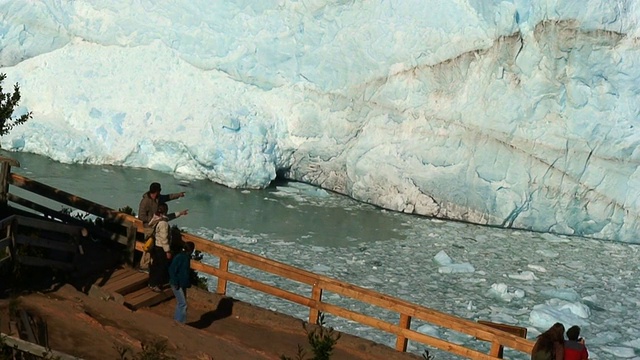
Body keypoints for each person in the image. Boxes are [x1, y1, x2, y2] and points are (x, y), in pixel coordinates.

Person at [147, 203, 173, 292]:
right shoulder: (164, 223)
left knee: (154, 266)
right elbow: (164, 238)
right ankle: (156, 284)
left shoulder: (156, 219)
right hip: (161, 248)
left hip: (156, 246)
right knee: (160, 267)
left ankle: (151, 283)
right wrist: (168, 251)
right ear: (166, 211)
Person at [168, 241, 195, 323]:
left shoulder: (185, 257)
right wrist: (175, 282)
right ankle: (179, 323)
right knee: (182, 304)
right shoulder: (181, 257)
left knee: (181, 303)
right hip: (176, 283)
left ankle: (178, 321)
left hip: (180, 284)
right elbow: (172, 270)